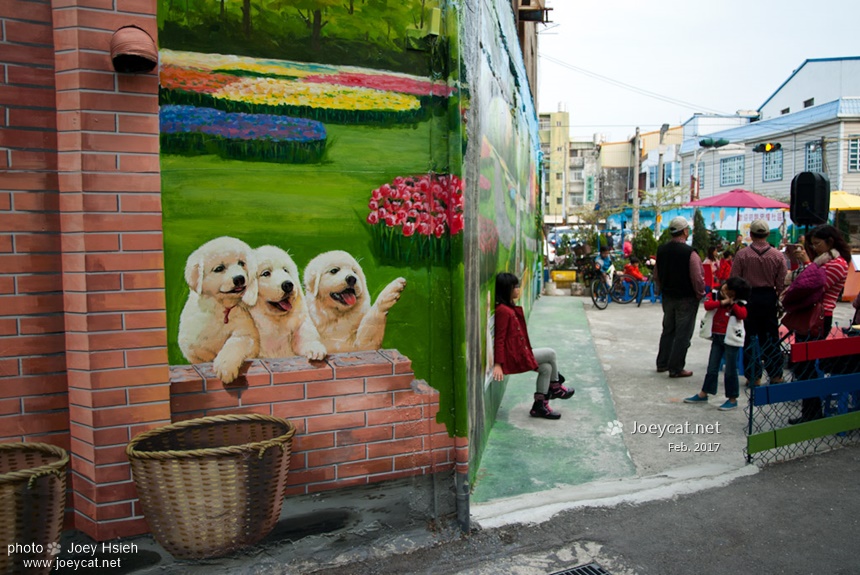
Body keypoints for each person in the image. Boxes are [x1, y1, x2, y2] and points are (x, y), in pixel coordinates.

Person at [785, 225, 850, 424]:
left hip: (820, 317)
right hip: (811, 315)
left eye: (817, 244)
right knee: (802, 365)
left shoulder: (837, 264)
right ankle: (810, 411)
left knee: (807, 366)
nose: (814, 247)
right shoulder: (822, 262)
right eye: (811, 244)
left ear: (830, 242)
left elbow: (812, 286)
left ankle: (812, 413)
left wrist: (806, 263)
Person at [492, 272, 574, 420]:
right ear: (506, 289)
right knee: (551, 353)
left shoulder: (509, 308)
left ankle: (539, 407)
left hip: (521, 353)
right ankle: (555, 387)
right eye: (515, 287)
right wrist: (498, 364)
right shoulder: (503, 311)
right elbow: (499, 338)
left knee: (546, 368)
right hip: (514, 357)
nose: (518, 289)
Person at [730, 219, 787, 386]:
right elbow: (782, 282)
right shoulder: (777, 255)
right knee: (770, 337)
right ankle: (776, 375)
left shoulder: (742, 255)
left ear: (751, 234)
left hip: (748, 298)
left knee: (750, 337)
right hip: (769, 297)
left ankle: (753, 376)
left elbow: (734, 279)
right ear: (768, 234)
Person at [684, 276, 751, 410]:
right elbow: (707, 305)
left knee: (731, 370)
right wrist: (722, 302)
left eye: (730, 291)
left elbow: (742, 315)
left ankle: (732, 398)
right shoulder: (715, 295)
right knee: (712, 367)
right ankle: (704, 393)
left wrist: (732, 303)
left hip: (731, 338)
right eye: (725, 286)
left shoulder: (739, 302)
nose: (725, 289)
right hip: (717, 337)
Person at [654, 216, 706, 378]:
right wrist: (700, 294)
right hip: (686, 298)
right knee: (683, 334)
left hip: (668, 297)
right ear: (684, 231)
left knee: (668, 330)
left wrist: (659, 290)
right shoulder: (690, 253)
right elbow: (697, 278)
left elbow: (656, 274)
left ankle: (662, 363)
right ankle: (676, 368)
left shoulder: (662, 251)